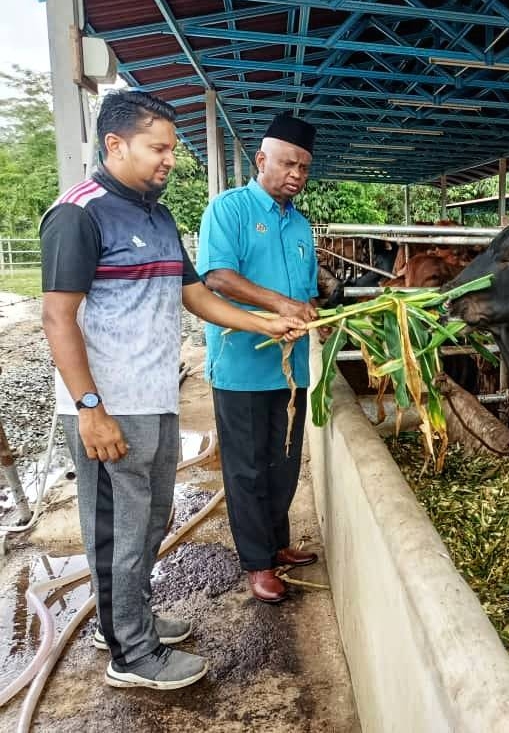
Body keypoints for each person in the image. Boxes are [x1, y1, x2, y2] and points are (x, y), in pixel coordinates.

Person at [40, 90, 306, 691]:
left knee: (150, 523)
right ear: (115, 144)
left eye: (172, 149)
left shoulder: (157, 216)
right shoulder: (79, 213)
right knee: (120, 530)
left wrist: (265, 323)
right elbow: (57, 317)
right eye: (157, 148)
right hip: (109, 406)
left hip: (155, 396)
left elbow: (195, 295)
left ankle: (128, 622)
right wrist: (90, 409)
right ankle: (131, 655)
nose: (169, 159)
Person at [196, 114, 321, 604]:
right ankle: (257, 562)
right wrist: (280, 305)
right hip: (242, 366)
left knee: (284, 461)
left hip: (290, 369)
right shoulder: (229, 210)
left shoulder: (302, 225)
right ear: (261, 160)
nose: (296, 174)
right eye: (288, 163)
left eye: (304, 167)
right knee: (247, 467)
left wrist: (315, 314)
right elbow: (217, 277)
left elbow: (306, 292)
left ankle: (277, 542)